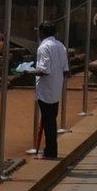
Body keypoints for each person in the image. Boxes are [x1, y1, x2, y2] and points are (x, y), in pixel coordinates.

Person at [34, 21, 70, 160]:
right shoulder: (60, 46)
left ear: (42, 33)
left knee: (48, 122)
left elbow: (44, 70)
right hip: (56, 89)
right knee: (51, 120)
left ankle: (50, 151)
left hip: (46, 90)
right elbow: (66, 70)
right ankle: (51, 149)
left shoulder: (44, 47)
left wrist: (29, 71)